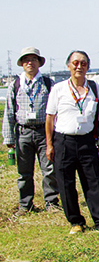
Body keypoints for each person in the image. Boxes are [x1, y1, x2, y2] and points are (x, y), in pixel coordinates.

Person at [45, 50, 99, 233]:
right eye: (75, 63)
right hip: (63, 141)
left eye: (83, 63)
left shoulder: (94, 88)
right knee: (66, 182)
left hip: (87, 140)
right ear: (68, 66)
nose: (79, 66)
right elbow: (50, 119)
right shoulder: (59, 89)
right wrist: (49, 144)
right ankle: (76, 221)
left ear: (88, 67)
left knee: (94, 180)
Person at [2, 46, 60, 215]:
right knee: (24, 172)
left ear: (39, 63)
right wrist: (9, 138)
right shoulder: (15, 84)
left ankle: (51, 202)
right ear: (22, 64)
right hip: (23, 132)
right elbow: (9, 112)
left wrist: (56, 135)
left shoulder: (48, 84)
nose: (30, 63)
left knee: (49, 169)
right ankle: (25, 204)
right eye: (26, 60)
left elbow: (56, 110)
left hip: (44, 132)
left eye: (33, 59)